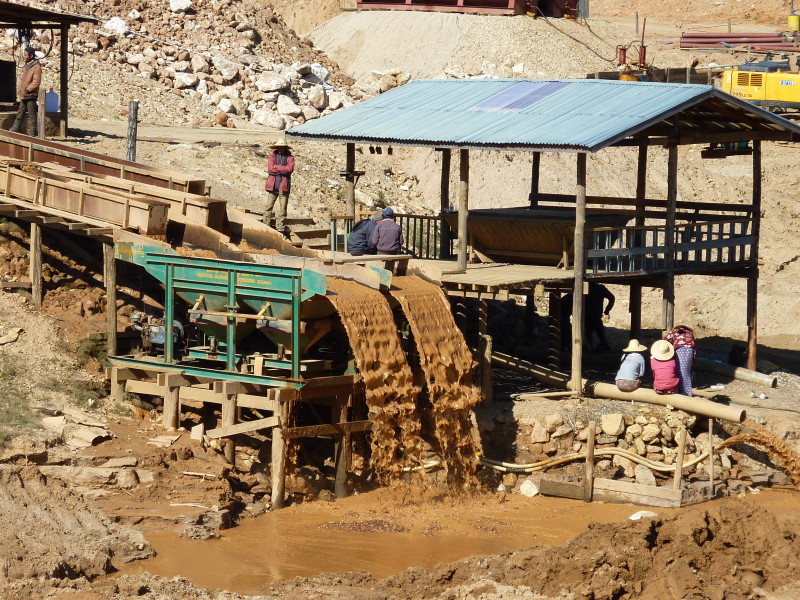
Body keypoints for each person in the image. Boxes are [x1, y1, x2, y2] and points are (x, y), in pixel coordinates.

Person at [263, 140, 294, 233]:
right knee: (268, 206)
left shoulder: (290, 158)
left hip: (284, 185)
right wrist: (283, 170)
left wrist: (277, 167)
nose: (280, 149)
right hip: (273, 185)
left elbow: (290, 169)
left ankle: (281, 225)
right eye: (279, 147)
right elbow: (270, 169)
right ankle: (265, 224)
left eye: (282, 147)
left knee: (283, 208)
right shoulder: (272, 157)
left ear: (285, 148)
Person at [10, 47, 42, 137]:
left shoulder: (36, 67)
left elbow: (36, 82)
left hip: (30, 94)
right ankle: (14, 131)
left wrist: (27, 89)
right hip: (24, 94)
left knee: (32, 115)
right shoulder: (28, 65)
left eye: (25, 55)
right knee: (20, 113)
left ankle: (32, 134)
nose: (24, 56)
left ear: (31, 56)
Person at [667, 324, 696, 397]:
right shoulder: (689, 333)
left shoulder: (673, 333)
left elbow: (664, 341)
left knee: (680, 371)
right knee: (686, 371)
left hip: (679, 350)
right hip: (690, 351)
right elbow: (694, 347)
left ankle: (683, 393)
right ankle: (686, 392)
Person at [585, 282, 615, 352]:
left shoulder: (584, 288)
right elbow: (612, 298)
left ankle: (591, 351)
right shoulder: (600, 288)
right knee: (601, 336)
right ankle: (606, 351)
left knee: (588, 336)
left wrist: (607, 309)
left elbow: (612, 298)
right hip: (595, 316)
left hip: (587, 316)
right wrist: (607, 310)